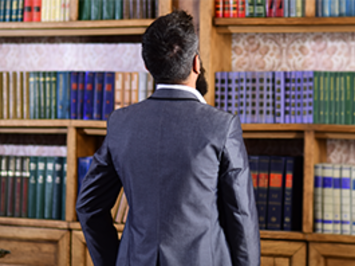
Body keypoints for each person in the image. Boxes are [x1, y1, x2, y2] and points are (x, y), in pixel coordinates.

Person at [76, 10, 260, 266]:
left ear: (148, 66)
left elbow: (89, 207)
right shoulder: (221, 126)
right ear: (196, 63)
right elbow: (241, 215)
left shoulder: (121, 124)